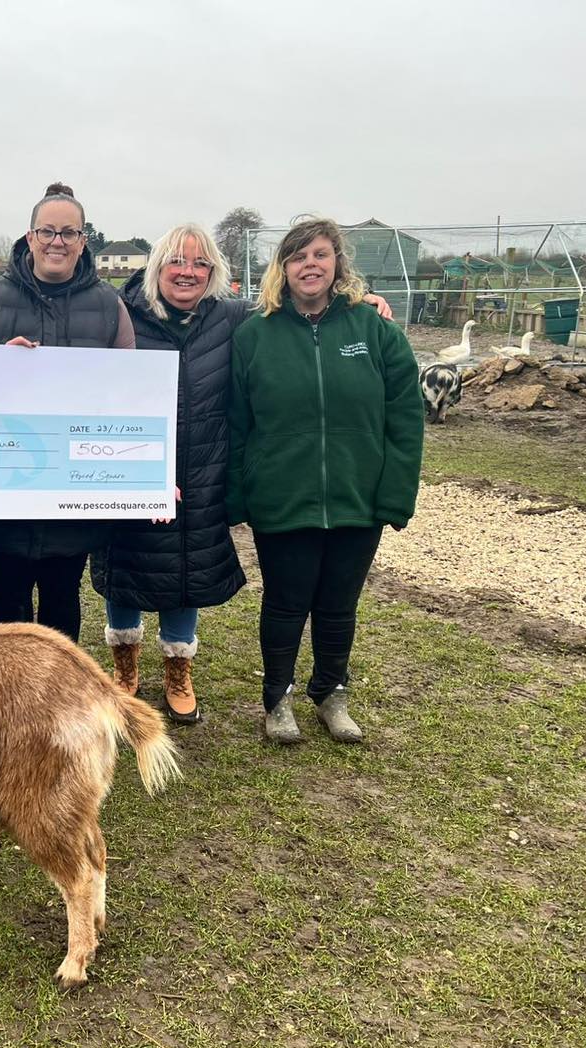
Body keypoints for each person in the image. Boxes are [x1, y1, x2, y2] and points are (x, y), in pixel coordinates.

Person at [227, 217, 423, 745]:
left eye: (319, 254)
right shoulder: (254, 337)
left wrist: (395, 493)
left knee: (339, 605)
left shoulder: (375, 332)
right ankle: (277, 698)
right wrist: (240, 494)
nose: (308, 265)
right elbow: (238, 423)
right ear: (283, 269)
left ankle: (331, 692)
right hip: (282, 498)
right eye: (297, 257)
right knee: (285, 604)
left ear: (337, 262)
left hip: (356, 499)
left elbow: (405, 421)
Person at [0, 181, 135, 642]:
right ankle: (2, 708)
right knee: (6, 607)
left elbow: (130, 397)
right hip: (1, 488)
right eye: (47, 231)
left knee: (62, 604)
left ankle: (56, 708)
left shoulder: (110, 306)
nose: (57, 241)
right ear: (30, 237)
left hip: (72, 494)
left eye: (68, 233)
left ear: (83, 241)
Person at [89, 225, 249, 723]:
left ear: (213, 273)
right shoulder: (121, 315)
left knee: (187, 571)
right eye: (177, 261)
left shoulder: (231, 316)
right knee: (126, 568)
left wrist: (357, 297)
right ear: (158, 267)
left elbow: (292, 304)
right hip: (132, 468)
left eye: (200, 264)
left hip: (202, 469)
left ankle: (179, 671)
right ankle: (125, 670)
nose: (188, 271)